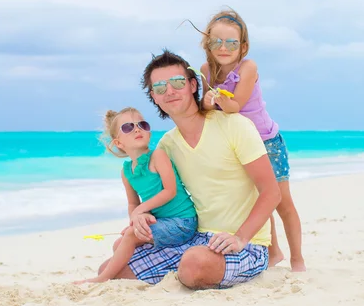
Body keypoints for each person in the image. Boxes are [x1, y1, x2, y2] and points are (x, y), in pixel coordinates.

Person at [96, 50, 282, 289]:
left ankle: (197, 268)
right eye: (160, 87)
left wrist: (240, 238)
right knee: (110, 269)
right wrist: (140, 217)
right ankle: (186, 268)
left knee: (194, 263)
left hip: (247, 243)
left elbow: (271, 192)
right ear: (154, 96)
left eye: (177, 82)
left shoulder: (235, 125)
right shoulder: (167, 146)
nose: (170, 91)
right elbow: (161, 199)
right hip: (194, 239)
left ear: (193, 85)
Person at [195, 8, 306, 272]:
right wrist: (208, 102)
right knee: (258, 203)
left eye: (231, 42)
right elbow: (204, 107)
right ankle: (274, 252)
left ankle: (297, 259)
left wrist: (218, 100)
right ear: (207, 44)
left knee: (281, 201)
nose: (224, 48)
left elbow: (235, 105)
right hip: (238, 146)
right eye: (216, 42)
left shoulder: (248, 67)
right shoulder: (204, 70)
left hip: (266, 143)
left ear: (243, 46)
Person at [74, 107, 198, 284]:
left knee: (131, 236)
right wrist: (137, 218)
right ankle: (143, 266)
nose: (137, 129)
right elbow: (133, 203)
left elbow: (170, 191)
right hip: (160, 221)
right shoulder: (126, 172)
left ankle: (102, 278)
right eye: (128, 128)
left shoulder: (157, 156)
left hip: (183, 222)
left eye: (142, 124)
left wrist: (141, 210)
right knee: (119, 243)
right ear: (118, 143)